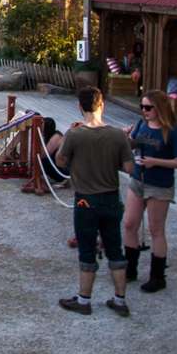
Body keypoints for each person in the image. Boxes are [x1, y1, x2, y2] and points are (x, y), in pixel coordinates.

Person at [55, 86, 134, 317]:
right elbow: (129, 167)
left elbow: (60, 161)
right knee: (114, 249)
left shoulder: (75, 134)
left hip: (85, 201)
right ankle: (120, 300)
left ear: (80, 107)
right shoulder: (118, 135)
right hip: (111, 198)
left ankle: (84, 299)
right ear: (102, 105)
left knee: (87, 250)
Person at [122, 90, 177, 293]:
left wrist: (156, 162)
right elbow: (133, 144)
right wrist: (126, 137)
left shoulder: (171, 131)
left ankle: (157, 276)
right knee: (129, 223)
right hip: (138, 179)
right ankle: (130, 268)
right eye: (142, 107)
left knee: (156, 229)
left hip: (159, 184)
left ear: (159, 108)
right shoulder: (141, 124)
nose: (144, 111)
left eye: (148, 108)